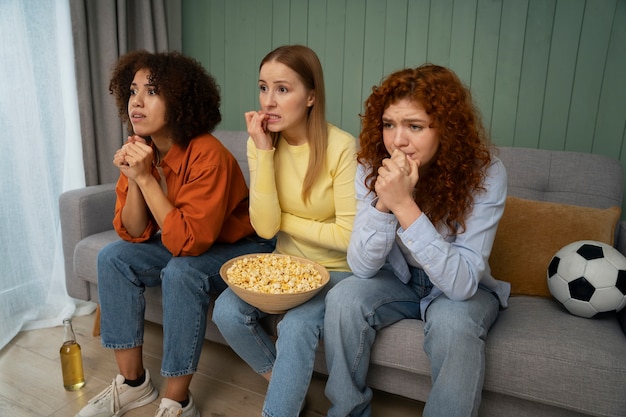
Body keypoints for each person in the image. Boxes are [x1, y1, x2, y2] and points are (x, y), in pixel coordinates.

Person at [75, 50, 274, 417]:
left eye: (151, 91)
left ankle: (177, 401)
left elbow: (188, 243)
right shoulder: (142, 149)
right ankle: (133, 385)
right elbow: (133, 232)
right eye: (133, 90)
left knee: (181, 272)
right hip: (189, 243)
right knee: (114, 257)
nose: (136, 100)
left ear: (179, 101)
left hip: (240, 247)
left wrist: (147, 178)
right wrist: (137, 177)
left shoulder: (208, 154)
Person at [323, 64, 511, 417]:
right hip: (402, 280)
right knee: (344, 298)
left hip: (459, 286)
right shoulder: (370, 165)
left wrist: (404, 205)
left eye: (415, 126)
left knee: (453, 324)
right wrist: (382, 202)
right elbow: (362, 268)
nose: (398, 141)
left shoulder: (485, 174)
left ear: (447, 129)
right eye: (389, 125)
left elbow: (462, 284)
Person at [211, 44, 357, 417]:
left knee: (296, 327)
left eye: (282, 89)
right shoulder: (260, 143)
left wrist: (285, 221)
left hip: (338, 273)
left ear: (310, 96)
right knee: (226, 311)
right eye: (263, 88)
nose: (269, 101)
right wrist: (262, 151)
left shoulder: (342, 147)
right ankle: (285, 385)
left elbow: (347, 237)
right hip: (285, 267)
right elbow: (264, 227)